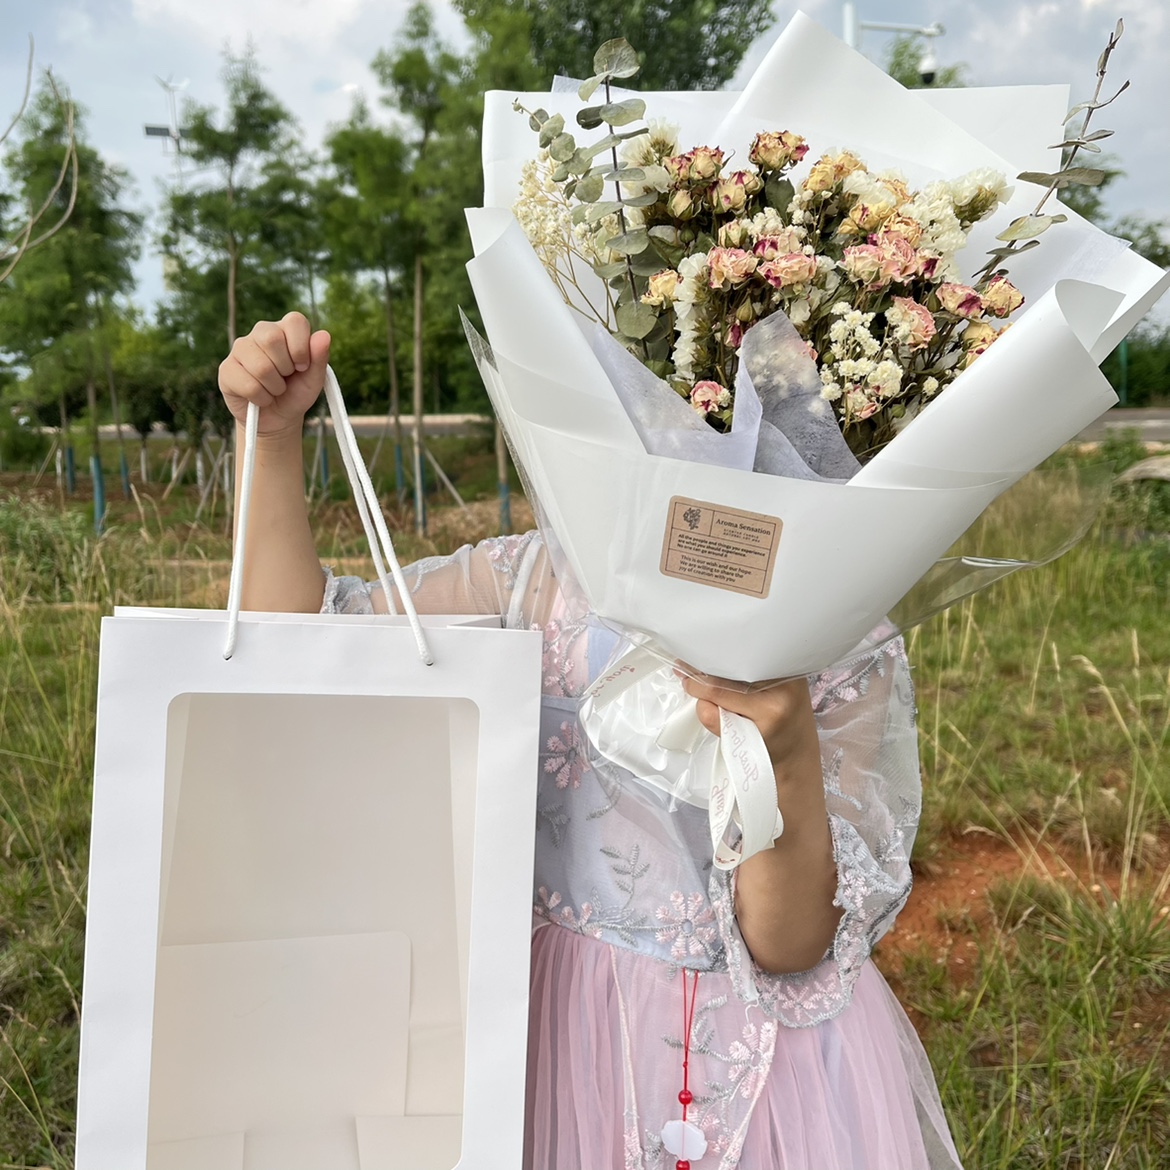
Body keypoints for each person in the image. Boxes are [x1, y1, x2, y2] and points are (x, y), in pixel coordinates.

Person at [219, 311, 963, 1170]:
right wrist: (271, 441)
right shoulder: (533, 581)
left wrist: (783, 751)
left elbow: (788, 946)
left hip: (760, 1079)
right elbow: (302, 646)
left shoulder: (839, 633)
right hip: (545, 1025)